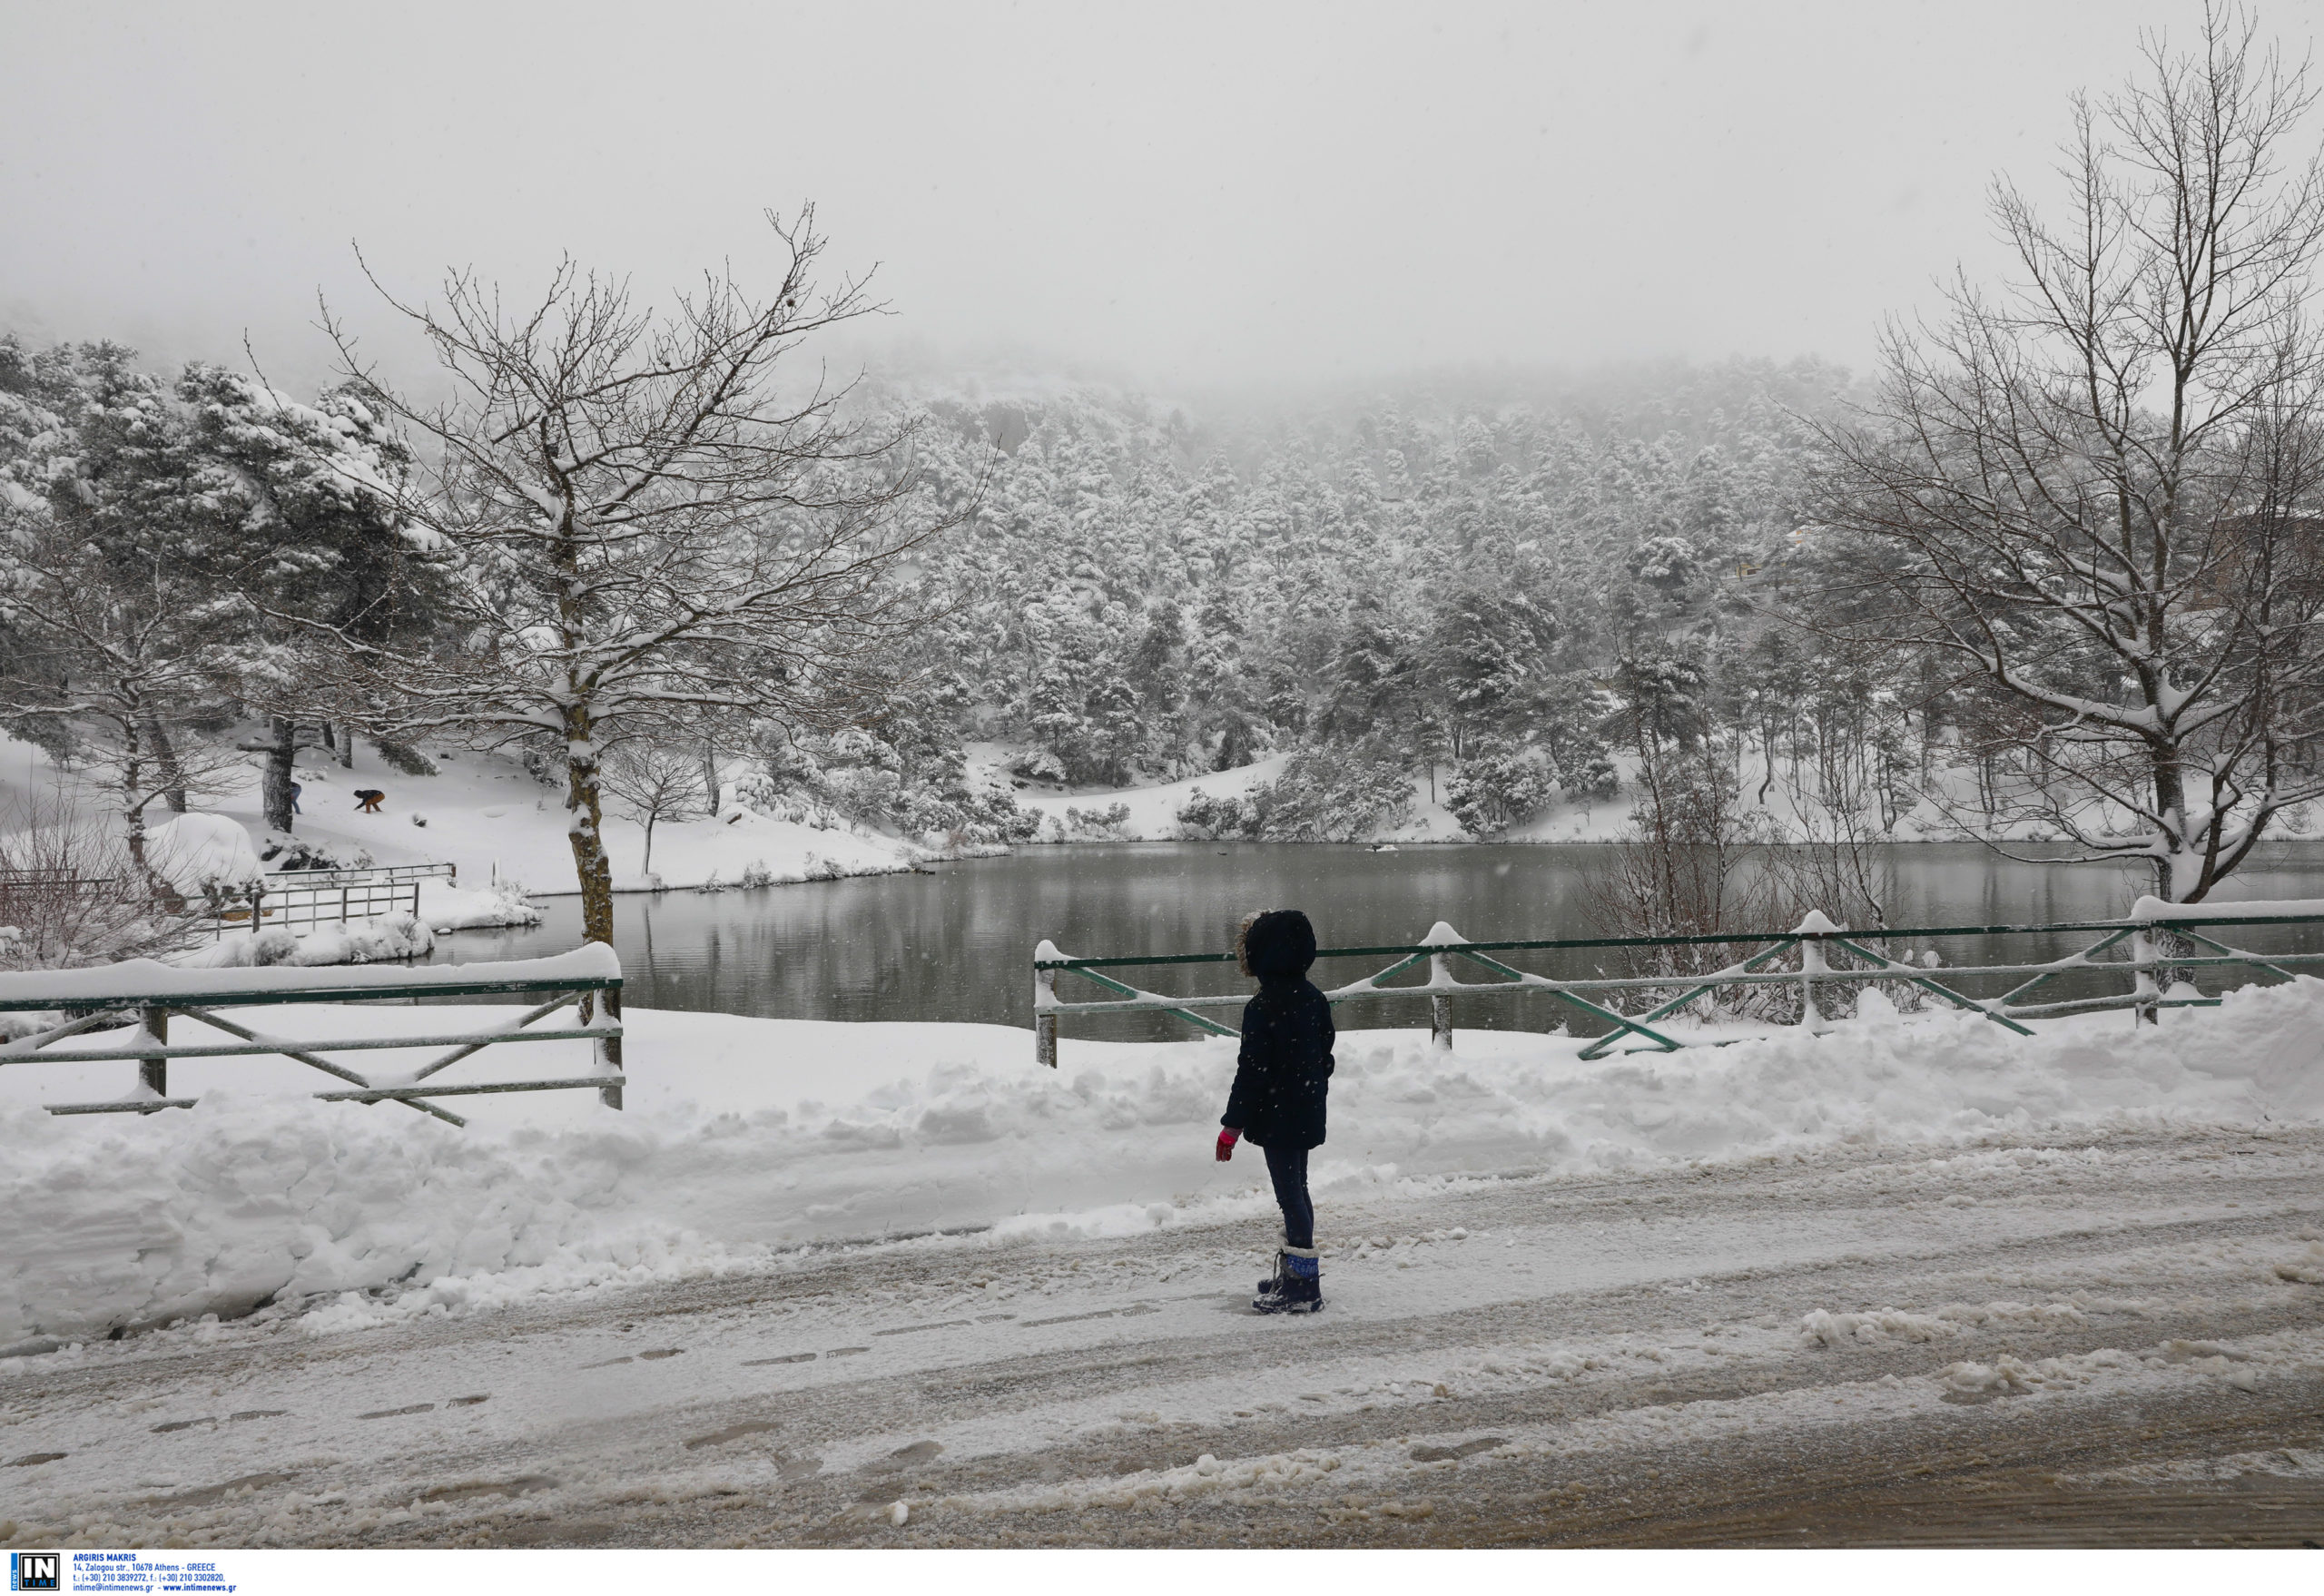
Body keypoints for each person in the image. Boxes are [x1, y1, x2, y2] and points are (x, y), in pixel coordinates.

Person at [1215, 908, 1334, 1314]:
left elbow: (1251, 1072)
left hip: (1278, 1115)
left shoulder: (1262, 1007)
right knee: (1298, 1189)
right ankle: (1297, 1272)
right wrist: (1312, 1090)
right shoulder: (1315, 998)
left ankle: (1302, 1286)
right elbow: (1325, 1055)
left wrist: (1232, 1126)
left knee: (1290, 1195)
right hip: (1304, 1109)